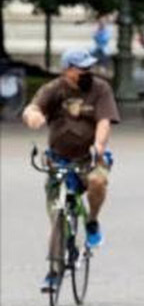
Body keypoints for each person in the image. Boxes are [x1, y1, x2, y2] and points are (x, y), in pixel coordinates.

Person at [22, 48, 120, 290]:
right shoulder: (54, 89)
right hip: (58, 160)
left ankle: (92, 221)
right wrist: (32, 116)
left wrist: (98, 145)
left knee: (98, 182)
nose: (87, 72)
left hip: (89, 158)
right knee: (58, 217)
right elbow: (32, 108)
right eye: (81, 68)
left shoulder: (100, 89)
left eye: (89, 67)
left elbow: (104, 121)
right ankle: (54, 272)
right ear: (67, 70)